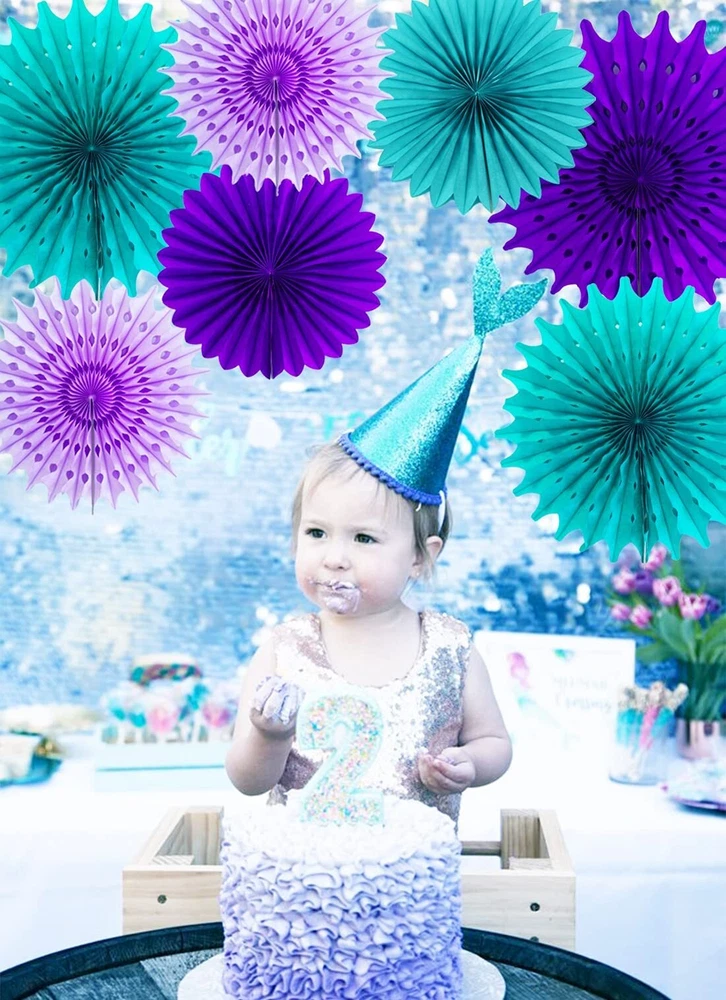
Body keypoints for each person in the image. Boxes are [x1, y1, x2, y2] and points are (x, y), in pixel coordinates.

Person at [224, 253, 532, 822]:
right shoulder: (284, 650)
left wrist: (469, 764)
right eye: (317, 532)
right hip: (304, 870)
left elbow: (495, 743)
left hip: (415, 870)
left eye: (364, 539)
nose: (335, 557)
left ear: (419, 556)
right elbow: (247, 781)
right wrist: (268, 736)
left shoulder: (450, 649)